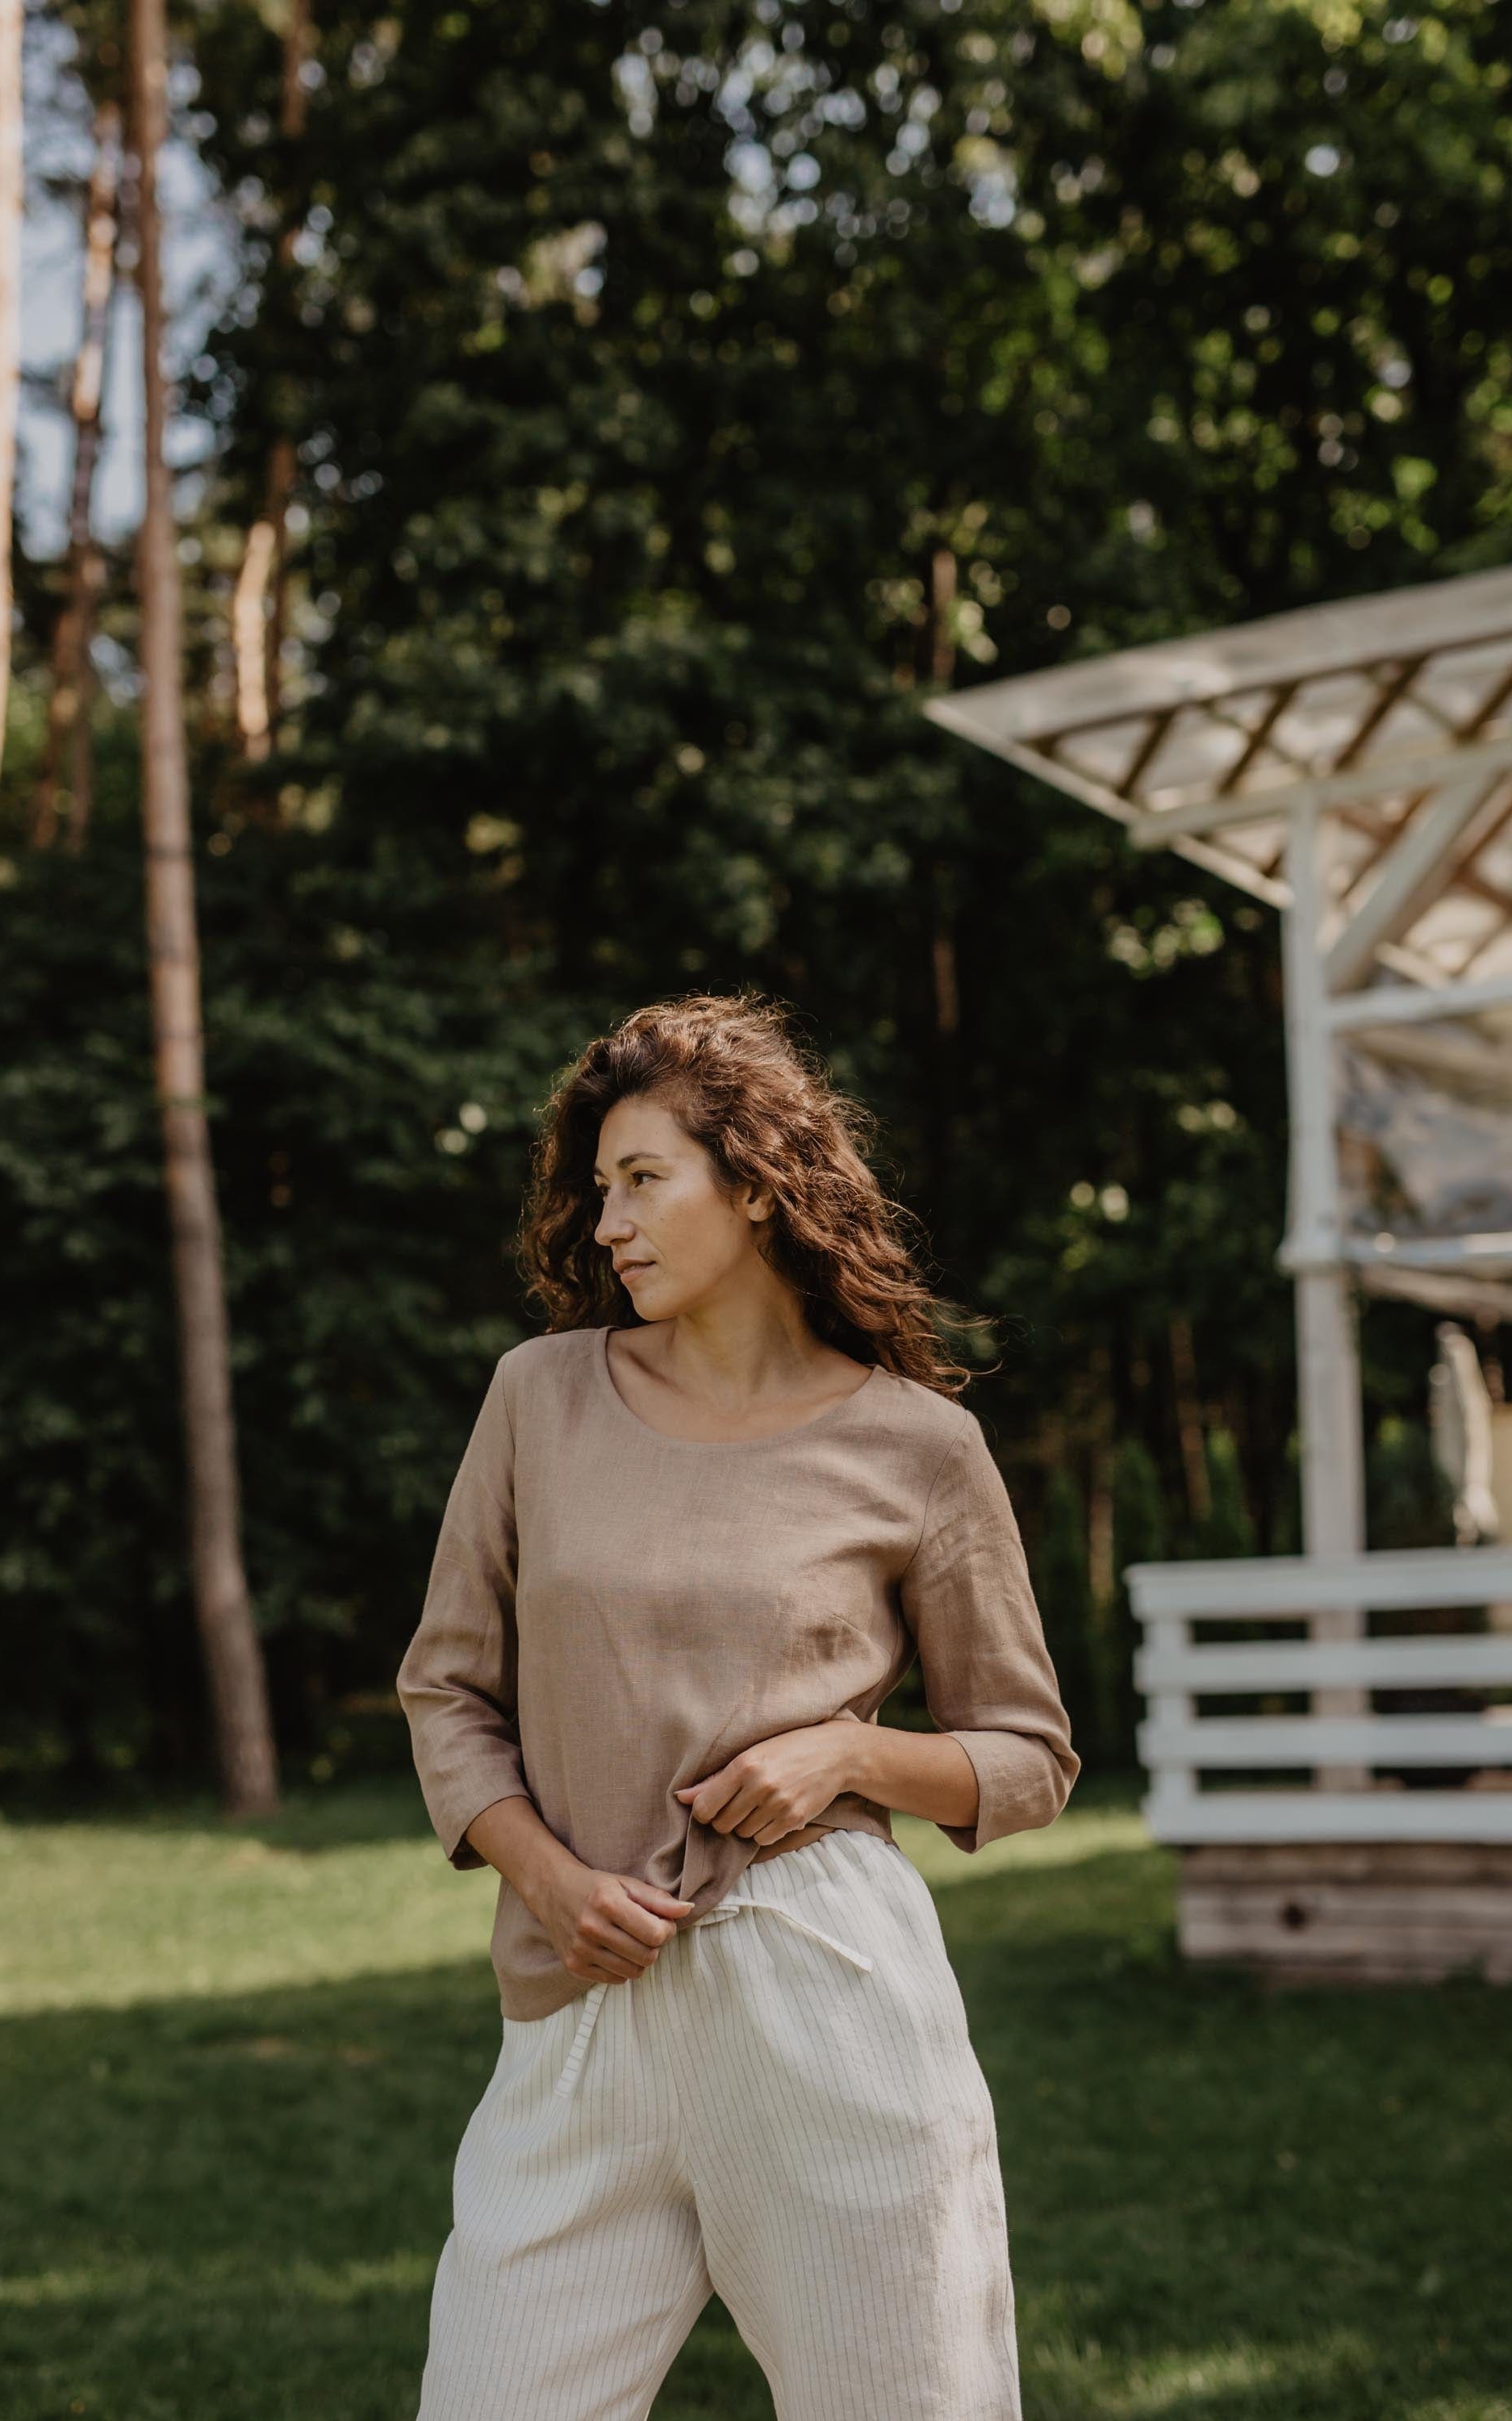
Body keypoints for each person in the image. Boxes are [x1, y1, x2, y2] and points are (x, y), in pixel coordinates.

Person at [395, 990, 1080, 2421]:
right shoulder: (539, 1399)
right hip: (577, 2008)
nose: (609, 1225)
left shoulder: (920, 1445)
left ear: (756, 1185)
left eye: (645, 1181)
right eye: (599, 1191)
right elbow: (445, 1685)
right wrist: (546, 1875)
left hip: (825, 1990)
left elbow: (1029, 1755)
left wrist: (848, 1750)